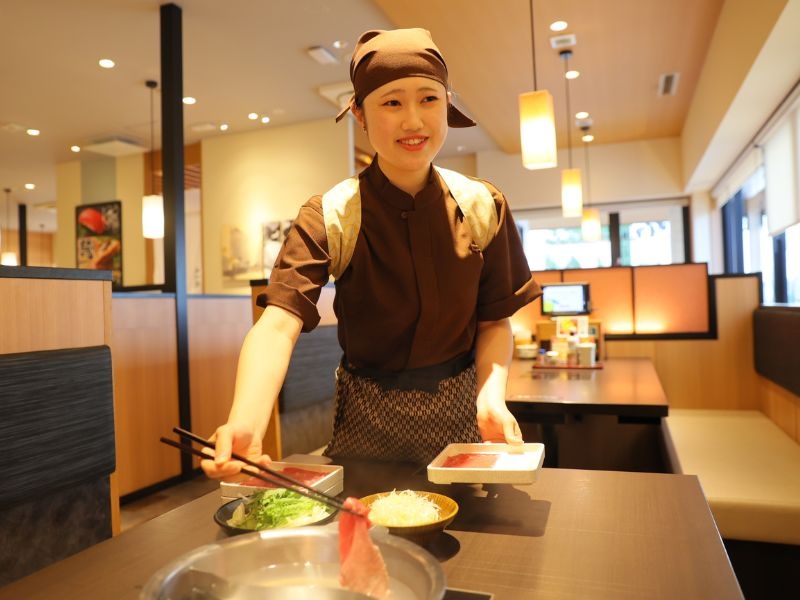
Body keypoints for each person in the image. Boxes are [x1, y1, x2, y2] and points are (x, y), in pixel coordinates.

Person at [202, 28, 540, 478]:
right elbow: (278, 323)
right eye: (392, 102)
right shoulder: (332, 214)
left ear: (447, 103)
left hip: (463, 411)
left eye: (428, 99)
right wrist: (245, 420)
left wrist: (491, 396)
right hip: (367, 416)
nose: (414, 121)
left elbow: (494, 320)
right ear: (360, 114)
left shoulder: (483, 205)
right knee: (361, 531)